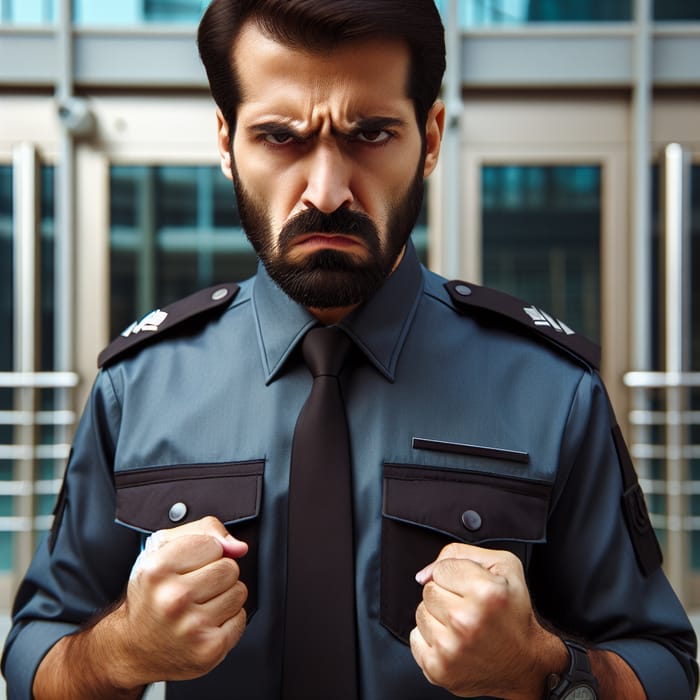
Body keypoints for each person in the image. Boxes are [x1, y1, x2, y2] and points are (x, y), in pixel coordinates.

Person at [2, 1, 698, 698]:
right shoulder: (138, 386)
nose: (328, 192)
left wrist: (539, 668)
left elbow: (664, 661)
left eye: (370, 134)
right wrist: (121, 651)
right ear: (225, 142)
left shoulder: (551, 388)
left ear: (429, 138)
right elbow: (36, 650)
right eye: (279, 138)